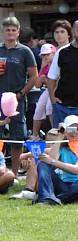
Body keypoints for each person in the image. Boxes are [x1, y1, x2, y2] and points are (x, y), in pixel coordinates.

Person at [0, 17, 38, 177]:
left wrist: (21, 94)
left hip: (16, 100)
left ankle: (14, 174)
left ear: (18, 32)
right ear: (3, 32)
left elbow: (34, 76)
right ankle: (1, 171)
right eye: (7, 30)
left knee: (16, 138)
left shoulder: (24, 51)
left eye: (13, 30)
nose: (10, 33)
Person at [35, 115, 78, 205]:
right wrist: (60, 136)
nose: (73, 132)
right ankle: (46, 197)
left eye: (77, 128)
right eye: (70, 129)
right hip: (65, 184)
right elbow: (51, 159)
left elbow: (76, 169)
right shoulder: (62, 145)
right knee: (43, 164)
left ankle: (54, 199)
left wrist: (52, 161)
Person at [31, 43, 56, 141]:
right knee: (39, 108)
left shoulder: (57, 64)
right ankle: (35, 135)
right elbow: (37, 85)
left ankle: (55, 133)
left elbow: (54, 82)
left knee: (50, 108)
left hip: (56, 90)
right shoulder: (45, 67)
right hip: (47, 89)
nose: (45, 57)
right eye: (43, 55)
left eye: (47, 54)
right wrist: (41, 68)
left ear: (54, 53)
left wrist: (45, 80)